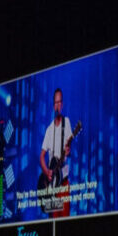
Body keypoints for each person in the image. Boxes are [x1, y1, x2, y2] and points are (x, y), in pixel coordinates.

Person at [40, 87, 75, 217]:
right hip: (52, 185)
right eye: (56, 102)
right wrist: (46, 171)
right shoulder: (49, 129)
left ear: (63, 104)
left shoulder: (67, 122)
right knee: (53, 221)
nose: (58, 105)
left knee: (64, 221)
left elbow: (69, 151)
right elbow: (41, 157)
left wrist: (68, 151)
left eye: (60, 102)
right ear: (53, 105)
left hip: (64, 182)